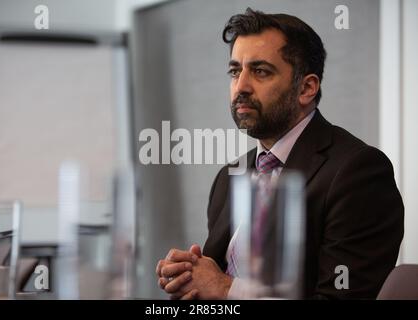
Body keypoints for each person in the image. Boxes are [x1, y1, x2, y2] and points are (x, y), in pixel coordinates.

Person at [155, 8, 404, 300]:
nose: (241, 86)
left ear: (307, 88)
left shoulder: (358, 172)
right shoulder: (228, 177)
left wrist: (225, 289)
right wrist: (190, 279)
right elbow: (214, 284)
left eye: (260, 71)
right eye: (235, 71)